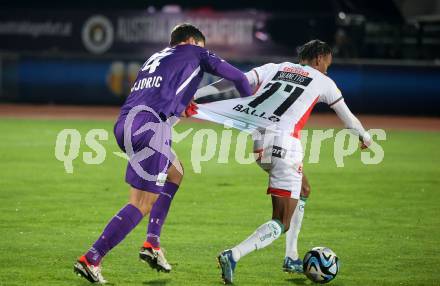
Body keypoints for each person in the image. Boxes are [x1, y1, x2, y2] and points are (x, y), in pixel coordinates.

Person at [73, 23, 252, 284]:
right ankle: (92, 258)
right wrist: (251, 111)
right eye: (201, 46)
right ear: (192, 41)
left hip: (126, 123)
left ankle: (152, 243)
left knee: (175, 171)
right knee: (141, 204)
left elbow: (163, 94)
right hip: (151, 128)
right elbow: (240, 78)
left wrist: (182, 105)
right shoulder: (196, 52)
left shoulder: (155, 59)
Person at [189, 39, 371, 284]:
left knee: (304, 189)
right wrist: (366, 137)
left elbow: (234, 81)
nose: (327, 68)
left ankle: (291, 257)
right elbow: (348, 118)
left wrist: (196, 95)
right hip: (286, 146)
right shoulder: (324, 82)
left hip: (260, 145)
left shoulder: (275, 67)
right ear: (319, 59)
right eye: (328, 63)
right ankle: (233, 254)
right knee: (281, 222)